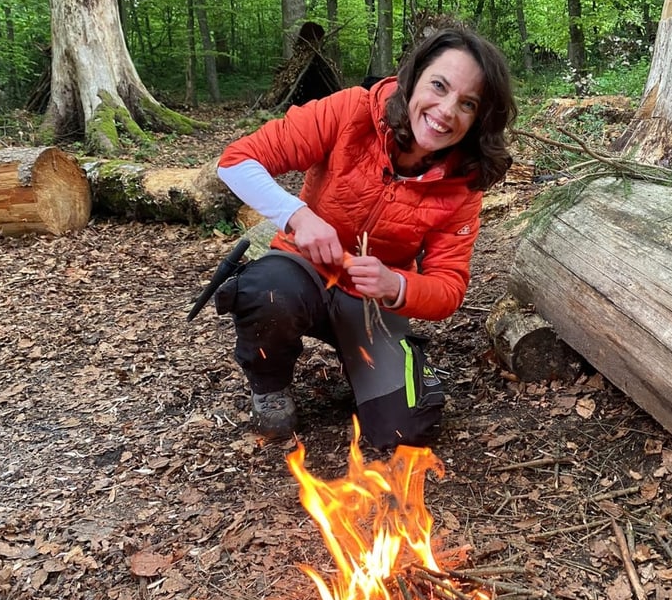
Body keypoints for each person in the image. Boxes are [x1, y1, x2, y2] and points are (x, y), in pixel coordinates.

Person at [214, 26, 517, 449]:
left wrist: (397, 285)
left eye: (467, 104)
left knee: (408, 429)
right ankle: (269, 387)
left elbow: (449, 289)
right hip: (301, 271)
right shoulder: (352, 112)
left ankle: (369, 371)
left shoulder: (463, 183)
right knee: (266, 292)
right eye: (439, 86)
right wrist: (298, 217)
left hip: (371, 302)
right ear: (413, 78)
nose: (446, 111)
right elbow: (235, 162)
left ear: (480, 119)